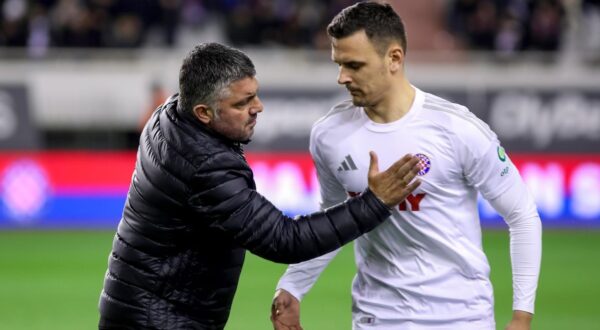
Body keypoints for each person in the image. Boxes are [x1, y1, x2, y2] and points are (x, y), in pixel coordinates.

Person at [97, 42, 424, 330]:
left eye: (255, 94)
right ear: (203, 112)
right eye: (243, 103)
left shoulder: (169, 115)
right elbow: (285, 240)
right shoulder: (206, 166)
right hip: (159, 319)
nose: (258, 107)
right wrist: (374, 202)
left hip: (140, 309)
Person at [271, 2, 542, 330]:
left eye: (354, 65)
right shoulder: (329, 135)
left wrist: (521, 316)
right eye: (339, 64)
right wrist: (292, 286)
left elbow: (522, 214)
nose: (342, 77)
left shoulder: (457, 128)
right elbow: (332, 218)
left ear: (394, 59)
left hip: (460, 319)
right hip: (376, 319)